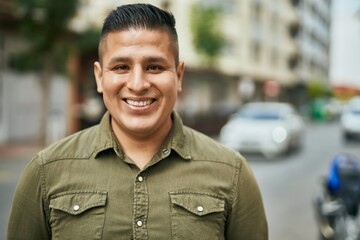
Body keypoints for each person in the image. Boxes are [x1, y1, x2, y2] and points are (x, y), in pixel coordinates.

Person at [7, 3, 268, 239]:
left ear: (178, 76)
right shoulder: (46, 171)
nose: (138, 84)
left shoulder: (231, 173)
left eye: (154, 67)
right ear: (99, 77)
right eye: (121, 67)